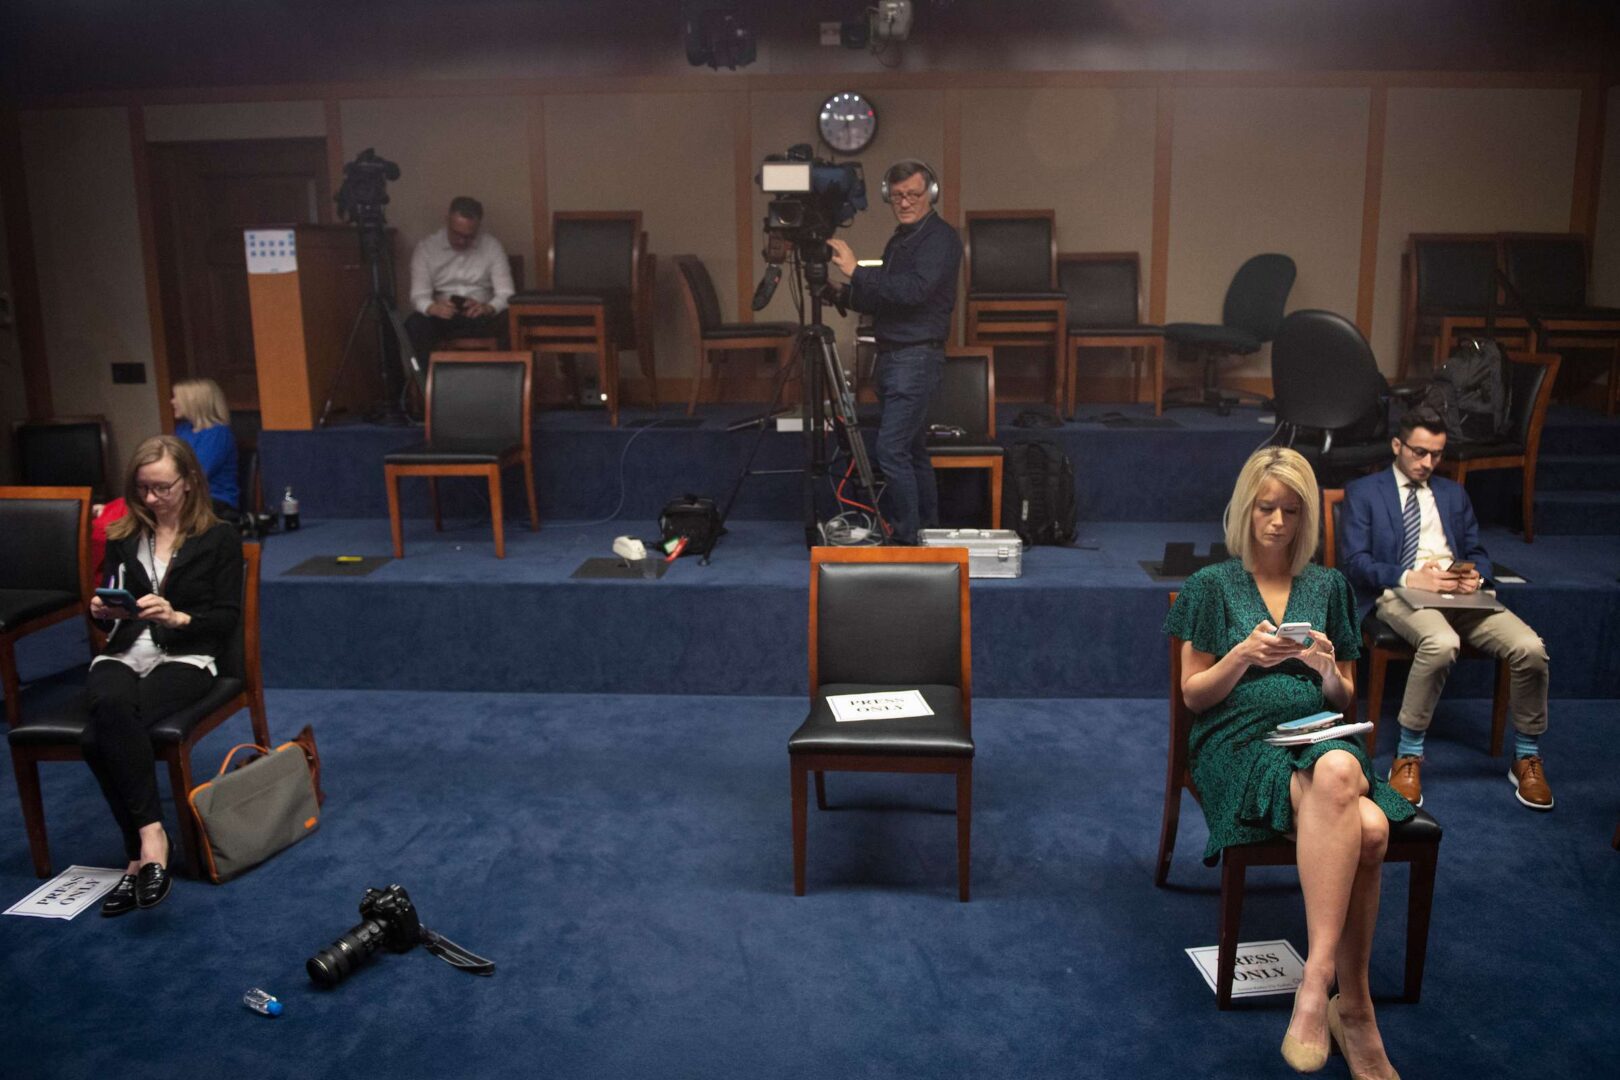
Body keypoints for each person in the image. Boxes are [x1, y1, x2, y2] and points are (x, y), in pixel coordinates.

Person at [1164, 447, 1410, 1080]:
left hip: (1318, 733)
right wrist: (1242, 656)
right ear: (1246, 508)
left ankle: (1317, 986)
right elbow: (1193, 694)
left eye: (1291, 511)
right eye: (1266, 508)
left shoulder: (1328, 587)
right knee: (1373, 829)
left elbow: (1346, 697)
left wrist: (1328, 668)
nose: (1277, 522)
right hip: (1236, 741)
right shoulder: (1211, 585)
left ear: (1308, 519)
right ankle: (1349, 1007)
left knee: (1337, 772)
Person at [1341, 406, 1552, 810]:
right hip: (1398, 593)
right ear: (1397, 445)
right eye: (1419, 452)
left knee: (1530, 648)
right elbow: (1354, 563)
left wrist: (1478, 577)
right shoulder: (1365, 491)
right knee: (1440, 642)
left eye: (1436, 455)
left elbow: (1477, 551)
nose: (1428, 462)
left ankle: (1526, 755)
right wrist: (1408, 576)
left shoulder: (1453, 493)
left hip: (1461, 595)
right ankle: (1408, 754)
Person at [85, 435, 243, 916]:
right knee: (109, 705)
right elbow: (109, 606)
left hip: (188, 654)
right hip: (126, 649)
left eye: (162, 488)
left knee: (97, 738)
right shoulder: (123, 536)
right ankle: (152, 839)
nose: (151, 499)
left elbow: (225, 619)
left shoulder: (218, 537)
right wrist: (101, 611)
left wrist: (177, 619)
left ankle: (138, 858)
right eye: (142, 490)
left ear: (190, 482)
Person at [827, 160, 962, 544]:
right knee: (913, 450)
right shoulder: (901, 238)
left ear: (930, 195)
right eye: (898, 195)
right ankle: (928, 533)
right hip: (894, 357)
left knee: (891, 450)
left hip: (915, 358)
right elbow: (889, 295)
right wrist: (844, 292)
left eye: (913, 195)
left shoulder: (940, 238)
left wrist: (857, 271)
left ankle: (905, 539)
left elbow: (914, 292)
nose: (904, 202)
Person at [405, 195, 515, 365]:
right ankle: (427, 385)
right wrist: (433, 308)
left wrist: (488, 308)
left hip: (482, 317)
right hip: (444, 318)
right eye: (456, 234)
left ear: (478, 226)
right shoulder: (427, 248)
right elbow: (418, 295)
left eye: (469, 236)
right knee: (415, 324)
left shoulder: (492, 246)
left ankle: (507, 384)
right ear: (447, 220)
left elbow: (507, 294)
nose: (462, 241)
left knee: (512, 320)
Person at [171, 376, 240, 511]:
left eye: (176, 397)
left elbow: (198, 472)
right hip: (184, 496)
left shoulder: (218, 434)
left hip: (214, 500)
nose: (172, 401)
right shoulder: (183, 429)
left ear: (193, 401)